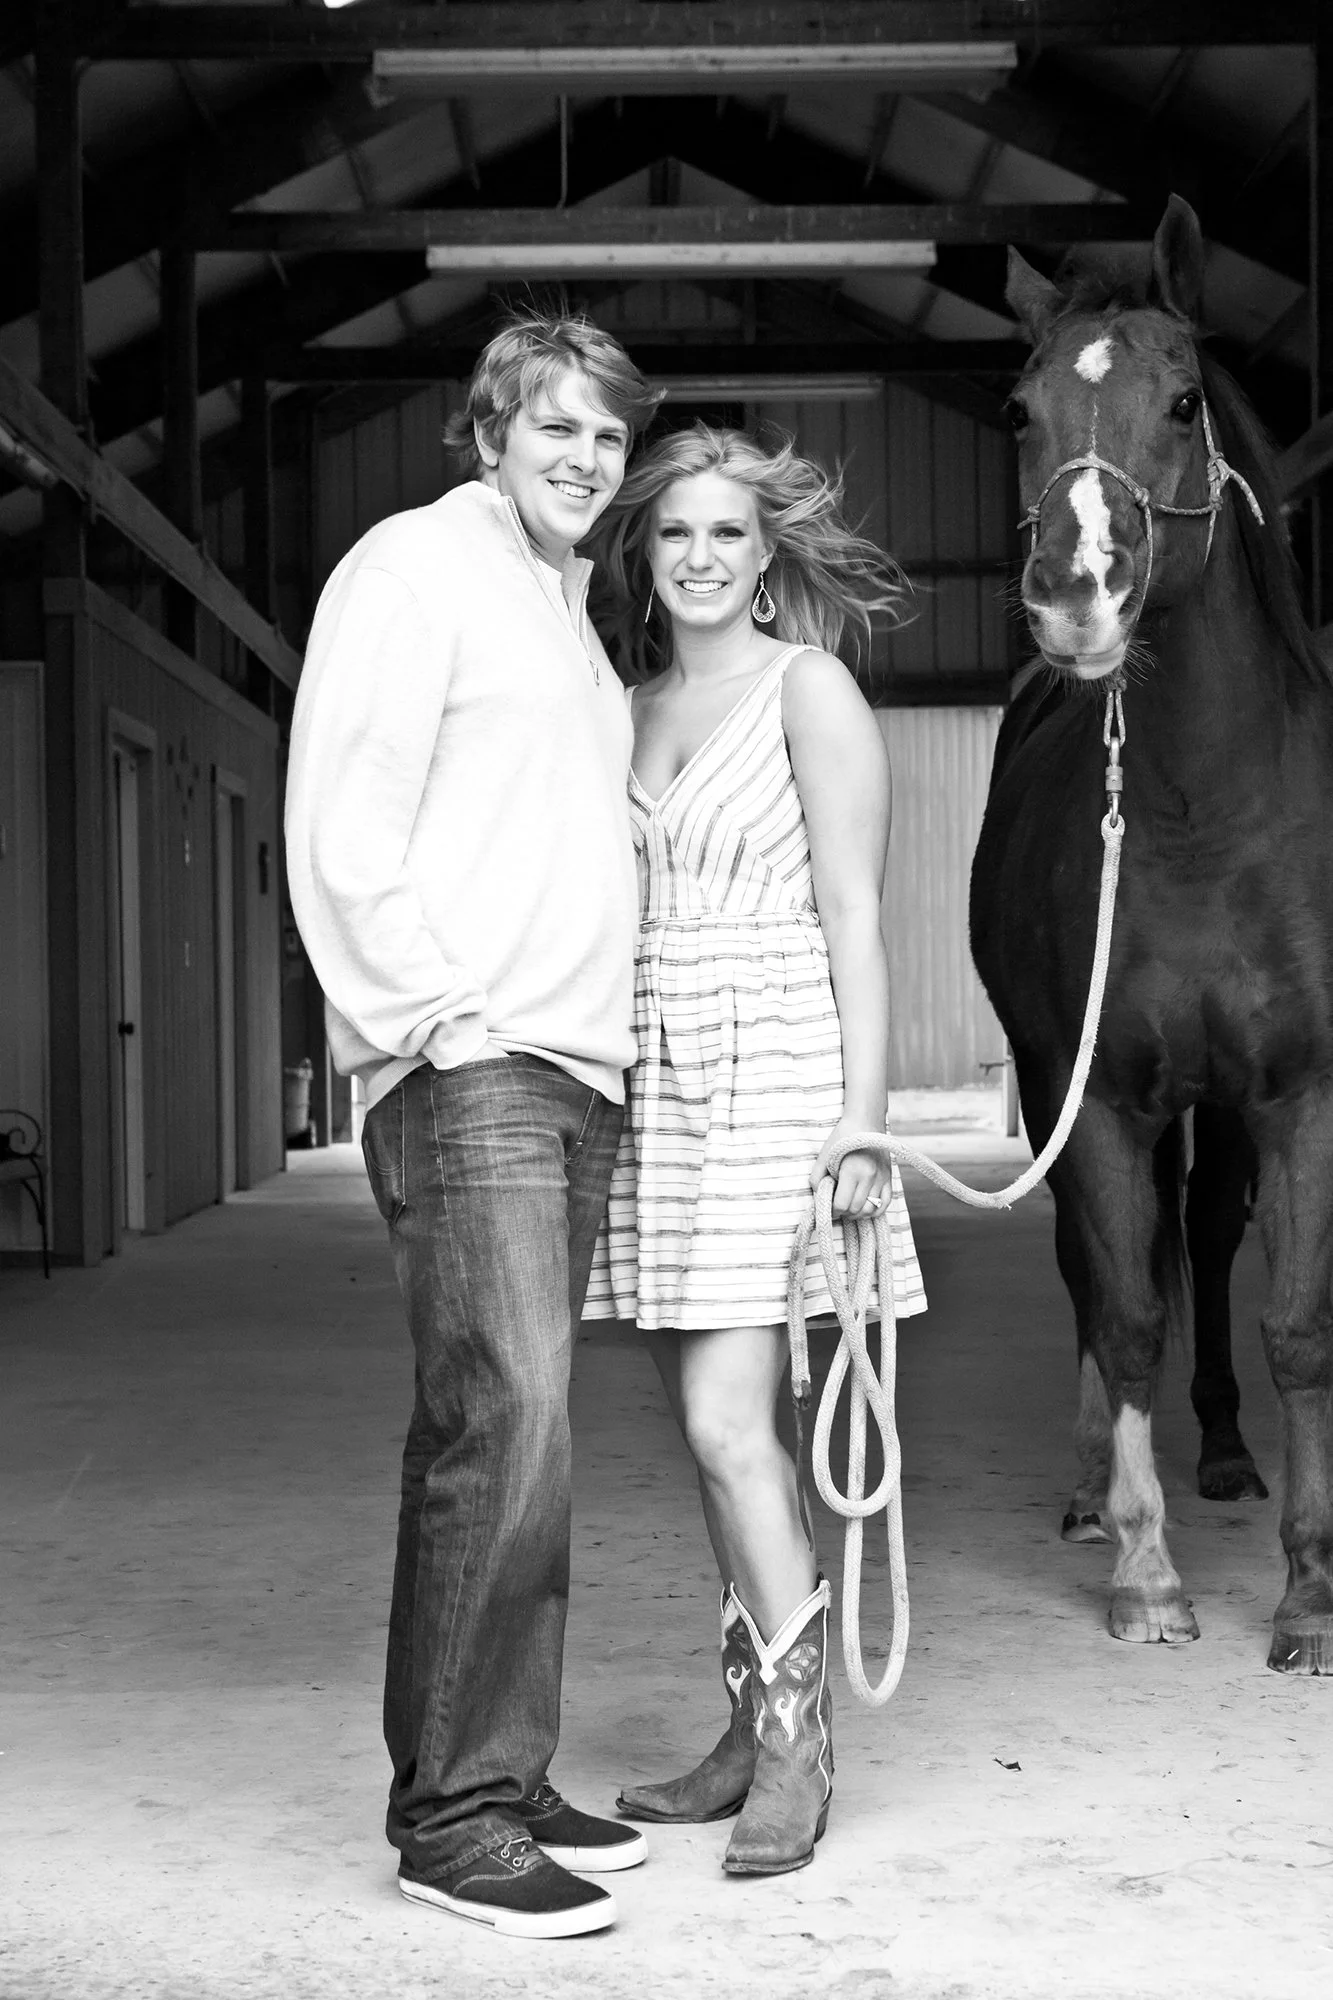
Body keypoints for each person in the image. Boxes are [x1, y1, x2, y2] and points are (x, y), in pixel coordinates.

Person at [285, 312, 663, 1939]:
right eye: (554, 428)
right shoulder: (413, 571)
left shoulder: (568, 618)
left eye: (607, 436)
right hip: (477, 1067)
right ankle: (452, 1818)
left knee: (525, 1441)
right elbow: (339, 818)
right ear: (489, 434)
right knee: (498, 1429)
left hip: (567, 1076)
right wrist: (440, 1018)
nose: (585, 457)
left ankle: (499, 1772)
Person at [583, 423, 927, 1877]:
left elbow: (855, 911)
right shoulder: (624, 702)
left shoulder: (812, 689)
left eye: (729, 532)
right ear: (641, 554)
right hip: (650, 1072)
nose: (704, 557)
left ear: (766, 548)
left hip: (773, 1064)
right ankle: (745, 1723)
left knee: (732, 1426)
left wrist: (866, 1114)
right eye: (676, 534)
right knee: (718, 1437)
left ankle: (798, 1745)